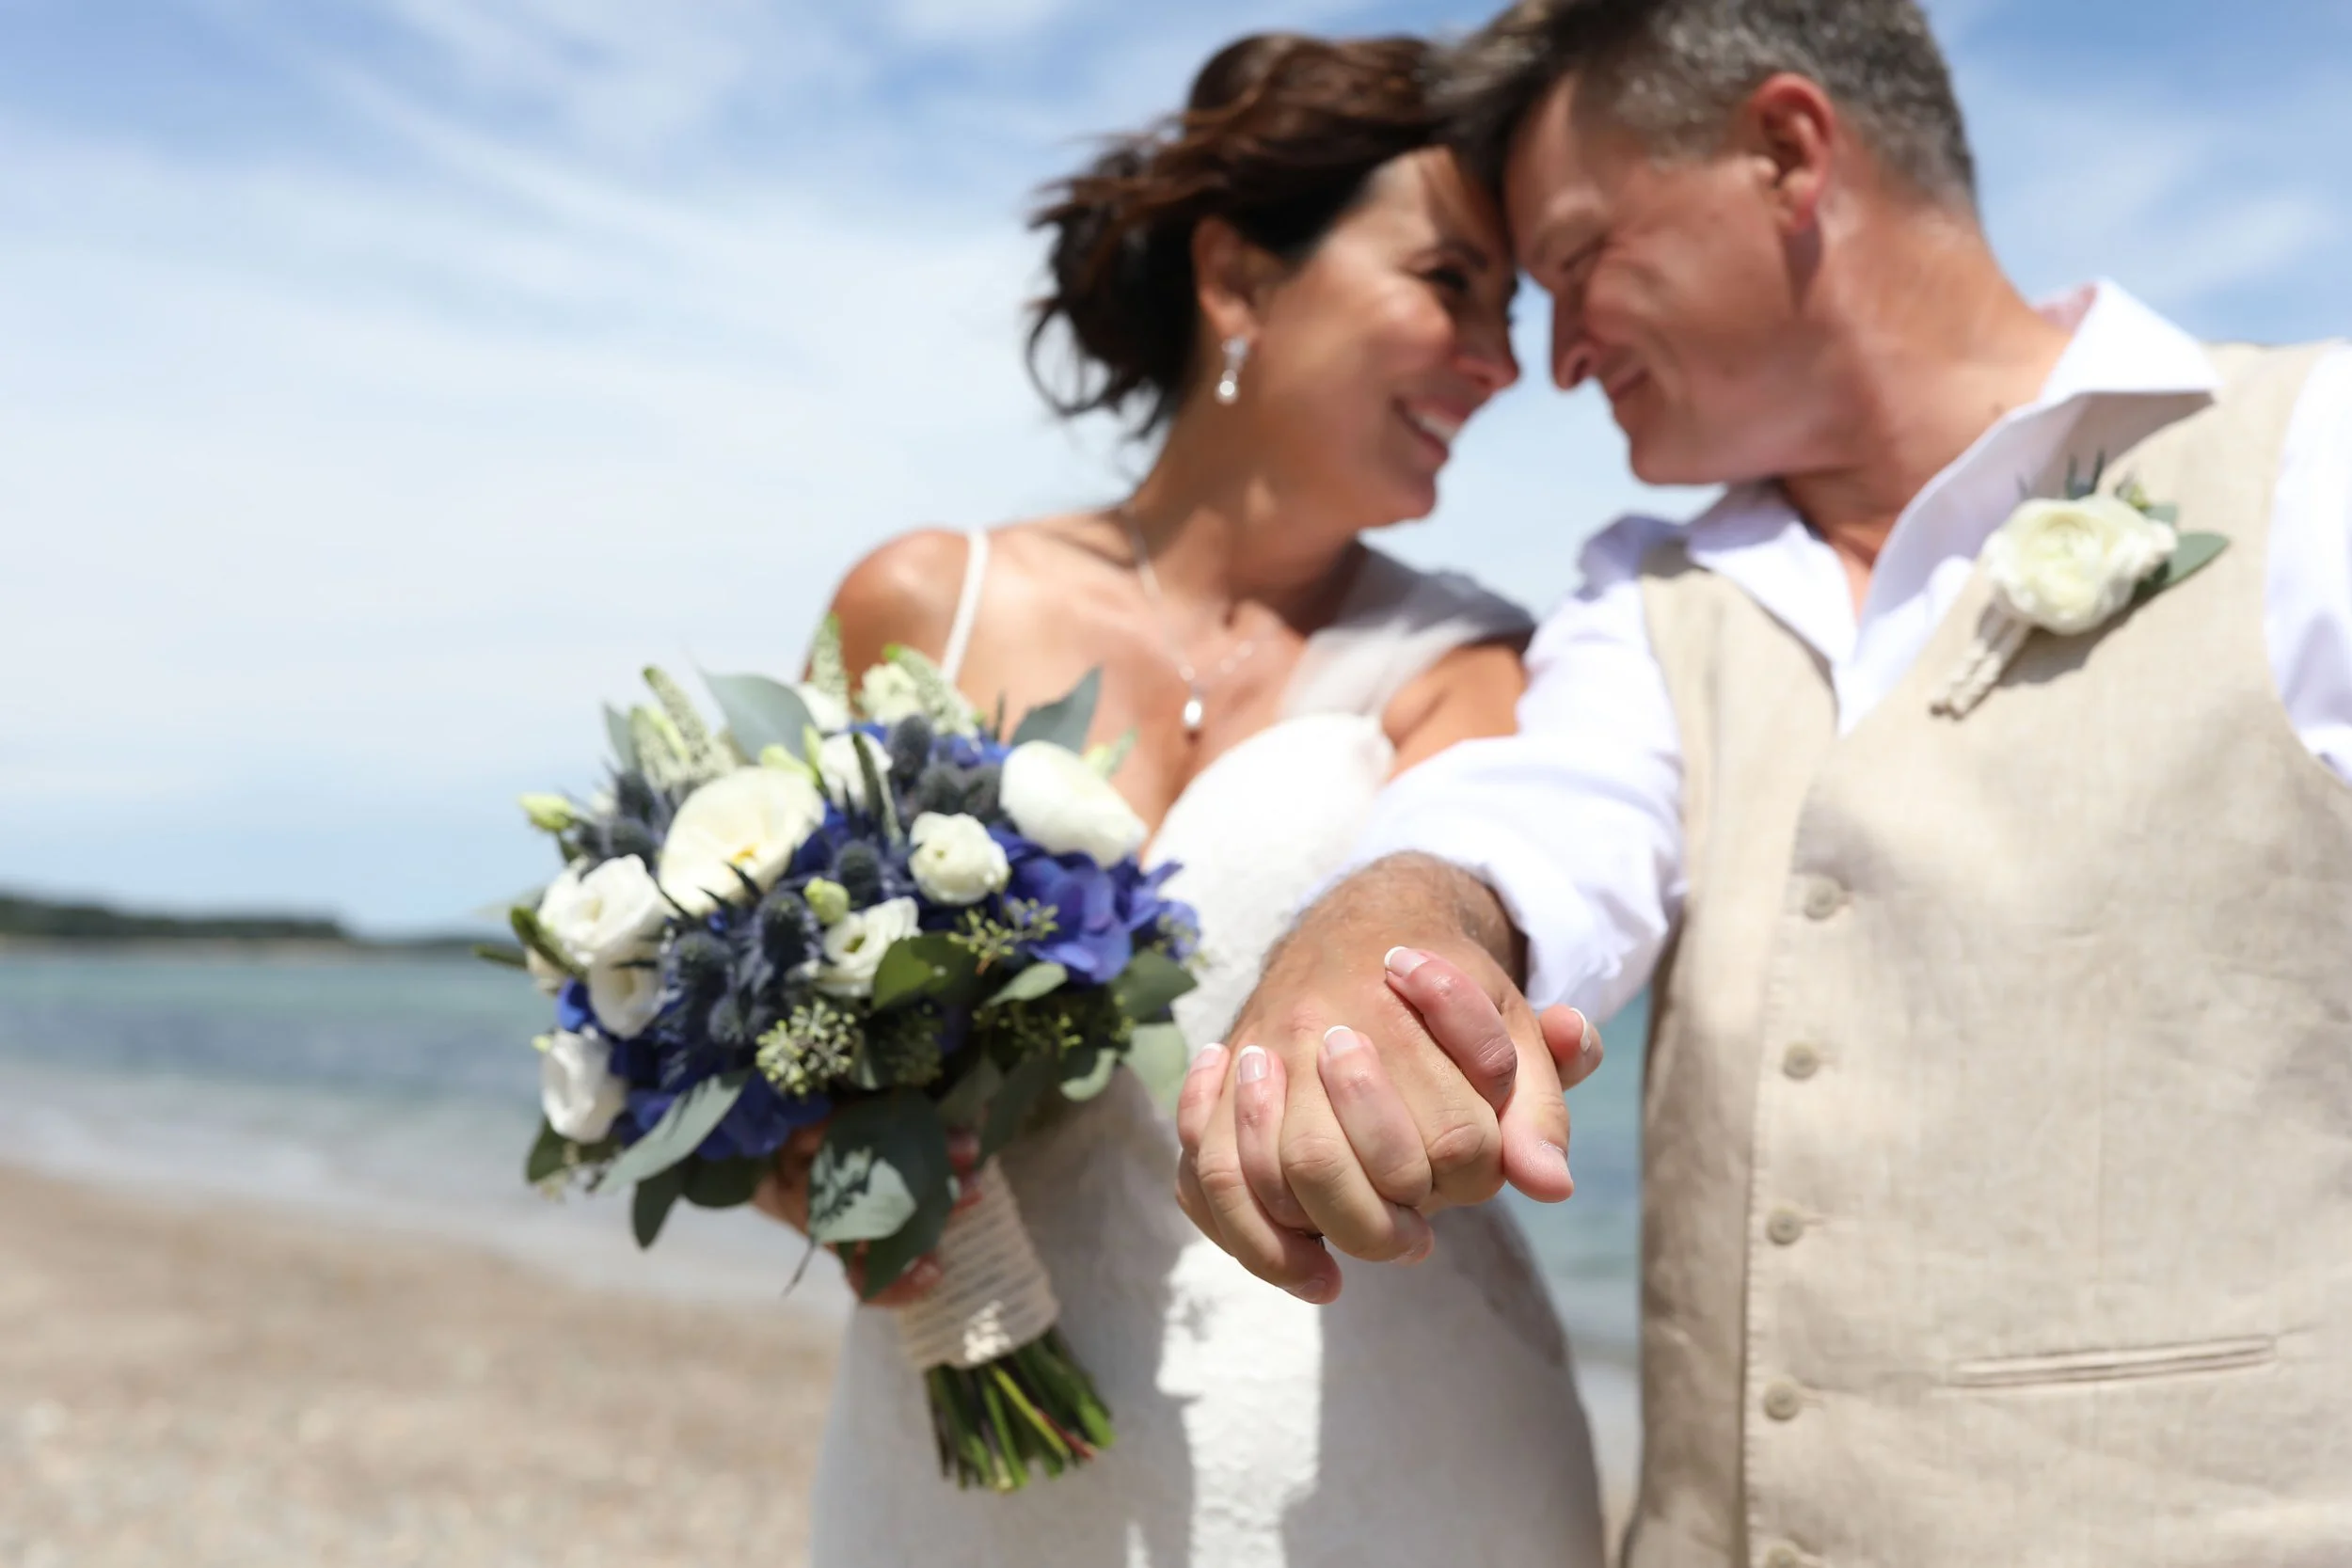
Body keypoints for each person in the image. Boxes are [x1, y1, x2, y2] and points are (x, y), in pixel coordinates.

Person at [1176, 2, 2352, 1564]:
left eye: (1580, 261)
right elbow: (1548, 808)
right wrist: (1397, 929)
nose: (1565, 351)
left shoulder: (2315, 456)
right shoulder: (1645, 588)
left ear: (1789, 154)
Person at [756, 33, 1609, 1567]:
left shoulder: (1469, 662)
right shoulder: (919, 605)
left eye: (1517, 307)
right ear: (1239, 277)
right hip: (958, 1450)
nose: (1501, 360)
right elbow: (769, 999)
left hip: (1390, 1475)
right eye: (1451, 283)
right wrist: (797, 1162)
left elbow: (1488, 903)